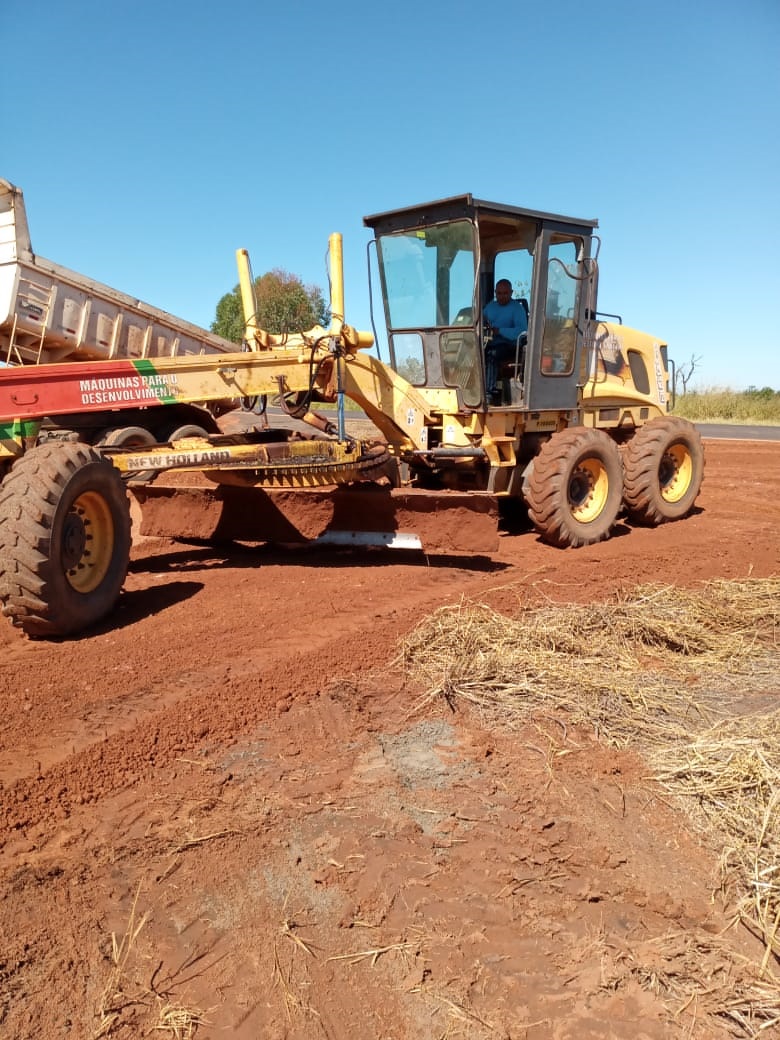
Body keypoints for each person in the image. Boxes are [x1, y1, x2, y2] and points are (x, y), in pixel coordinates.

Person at [483, 279, 528, 404]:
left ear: (511, 292)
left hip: (511, 344)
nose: (502, 296)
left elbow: (522, 331)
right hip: (492, 341)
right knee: (476, 351)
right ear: (495, 293)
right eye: (499, 293)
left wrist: (500, 331)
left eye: (505, 293)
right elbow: (481, 319)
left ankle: (489, 392)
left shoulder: (517, 309)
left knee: (492, 354)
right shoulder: (490, 307)